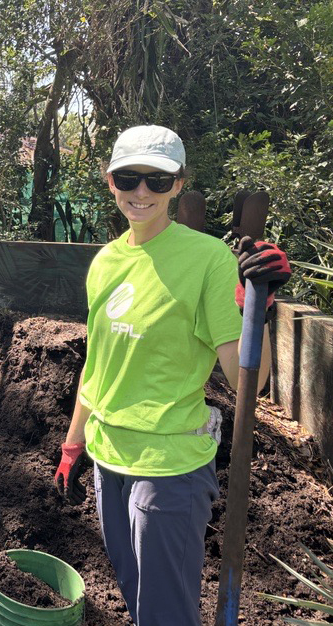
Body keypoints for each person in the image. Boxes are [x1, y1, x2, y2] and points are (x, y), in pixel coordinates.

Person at [53, 125, 291, 625]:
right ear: (110, 180)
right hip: (107, 459)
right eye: (129, 177)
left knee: (166, 614)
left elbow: (253, 379)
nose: (141, 192)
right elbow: (97, 369)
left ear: (178, 184)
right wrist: (73, 445)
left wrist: (256, 305)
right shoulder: (105, 262)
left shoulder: (208, 259)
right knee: (137, 598)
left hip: (169, 467)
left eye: (157, 181)